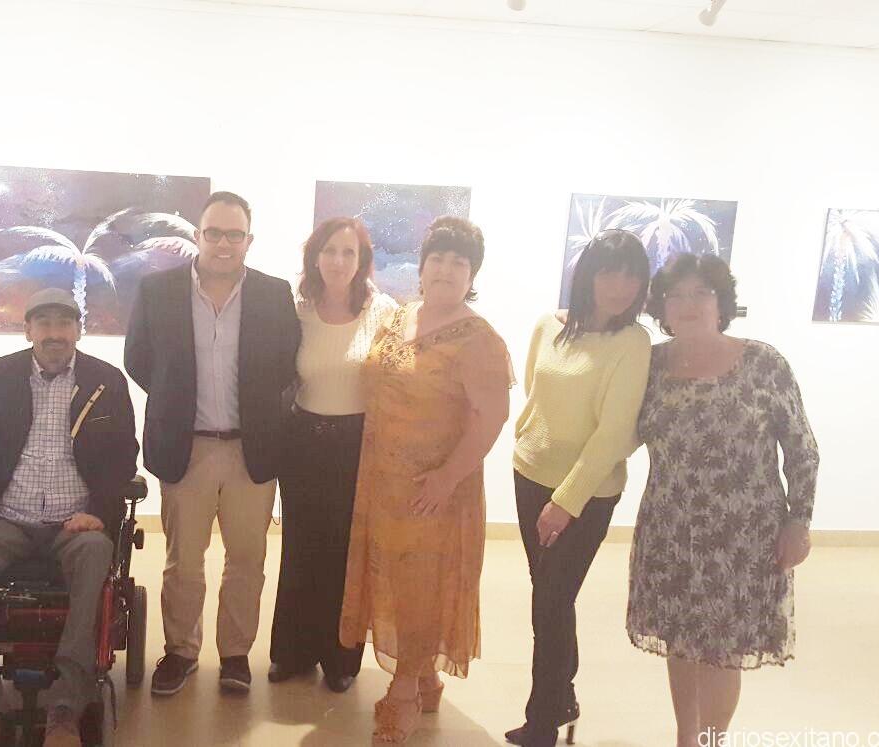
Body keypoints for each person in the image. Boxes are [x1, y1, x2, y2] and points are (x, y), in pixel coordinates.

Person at [628, 254, 818, 747]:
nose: (688, 304)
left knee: (721, 648)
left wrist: (799, 521)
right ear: (661, 306)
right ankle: (685, 738)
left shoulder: (763, 363)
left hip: (742, 534)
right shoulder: (649, 366)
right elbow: (613, 428)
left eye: (701, 293)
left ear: (722, 303)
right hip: (670, 528)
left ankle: (710, 741)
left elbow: (801, 447)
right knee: (679, 641)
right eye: (675, 295)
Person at [338, 216, 513, 743]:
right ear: (421, 266)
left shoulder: (480, 340)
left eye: (459, 262)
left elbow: (491, 417)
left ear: (472, 273)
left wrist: (445, 478)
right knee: (393, 582)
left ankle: (404, 692)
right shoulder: (401, 316)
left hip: (435, 491)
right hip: (383, 485)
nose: (445, 269)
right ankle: (426, 677)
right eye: (437, 258)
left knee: (421, 589)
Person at [0, 289, 139, 747]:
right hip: (8, 519)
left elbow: (122, 459)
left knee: (96, 552)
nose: (55, 333)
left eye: (64, 323)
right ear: (28, 330)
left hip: (75, 523)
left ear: (78, 331)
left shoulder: (106, 381)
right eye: (44, 323)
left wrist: (96, 513)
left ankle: (67, 706)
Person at [124, 191, 300, 695]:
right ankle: (181, 651)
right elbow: (139, 360)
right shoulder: (158, 290)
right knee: (184, 561)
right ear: (198, 236)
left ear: (249, 240)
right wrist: (179, 402)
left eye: (234, 234)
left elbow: (286, 363)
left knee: (247, 560)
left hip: (252, 449)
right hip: (188, 448)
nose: (224, 243)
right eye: (214, 233)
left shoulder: (273, 293)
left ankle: (235, 655)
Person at [506, 229, 652, 747]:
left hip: (587, 496)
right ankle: (562, 694)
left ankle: (542, 720)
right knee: (551, 596)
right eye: (609, 271)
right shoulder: (549, 325)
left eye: (632, 275)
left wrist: (565, 501)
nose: (620, 285)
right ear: (588, 273)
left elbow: (615, 432)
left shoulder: (633, 343)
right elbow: (534, 390)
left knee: (550, 601)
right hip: (529, 475)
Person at [267, 217, 396, 694]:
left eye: (349, 252)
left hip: (357, 443)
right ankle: (293, 652)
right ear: (315, 257)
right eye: (330, 251)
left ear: (362, 261)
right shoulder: (297, 311)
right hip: (302, 441)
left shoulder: (384, 311)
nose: (338, 261)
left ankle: (341, 658)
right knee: (301, 548)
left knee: (346, 552)